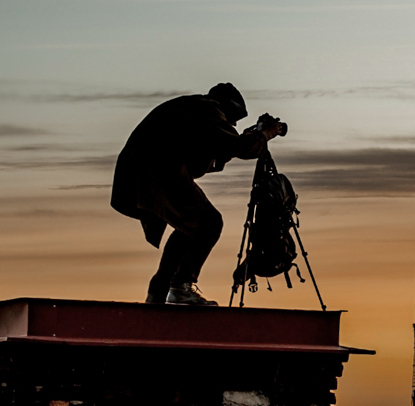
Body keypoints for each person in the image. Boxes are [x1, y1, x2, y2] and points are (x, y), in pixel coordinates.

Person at [110, 83, 286, 305]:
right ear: (227, 107)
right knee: (209, 222)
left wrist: (247, 138)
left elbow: (212, 154)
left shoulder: (192, 108)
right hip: (158, 169)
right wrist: (266, 134)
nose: (231, 124)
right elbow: (241, 148)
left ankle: (159, 292)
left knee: (189, 226)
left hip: (141, 171)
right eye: (232, 120)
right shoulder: (209, 109)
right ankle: (180, 286)